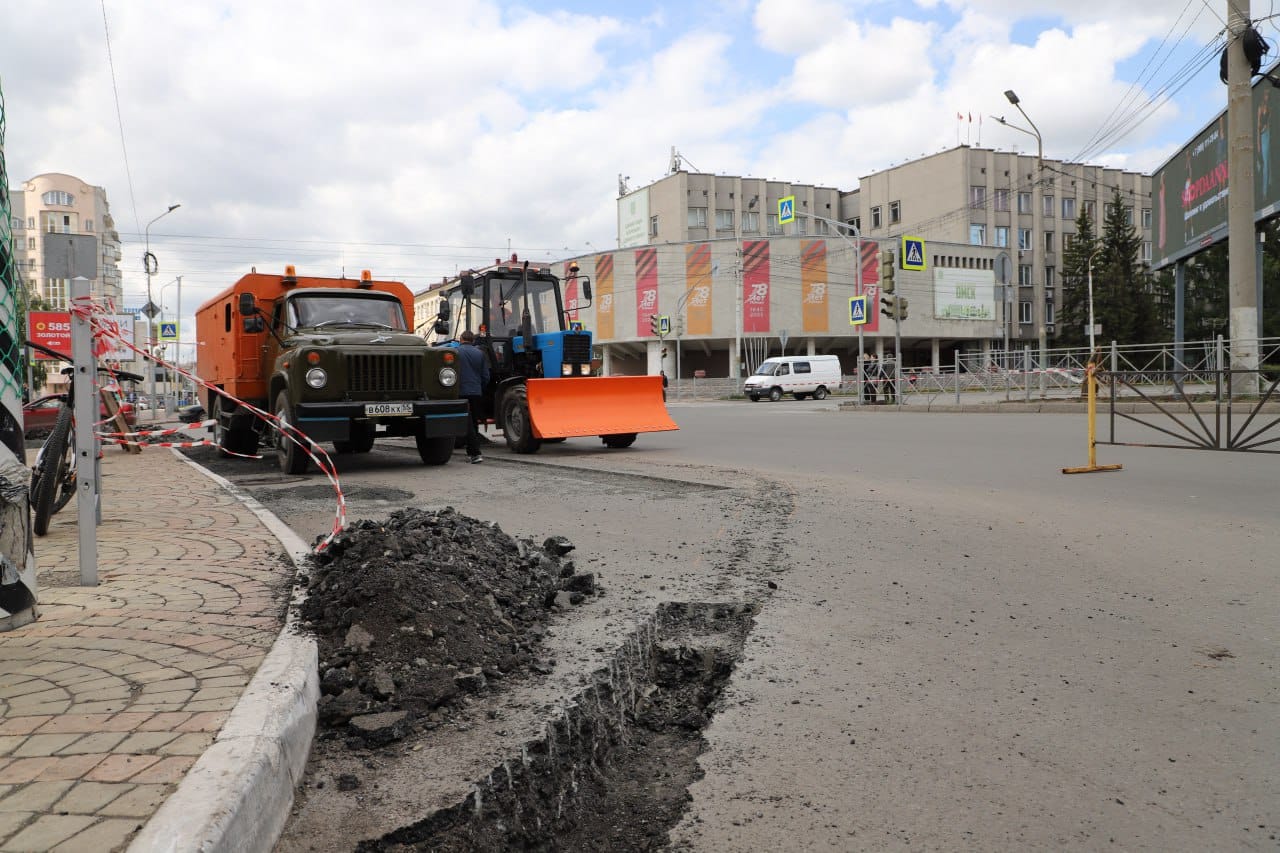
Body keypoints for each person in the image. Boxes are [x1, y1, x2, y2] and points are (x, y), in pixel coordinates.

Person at [456, 330, 489, 463]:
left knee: (466, 422)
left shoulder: (456, 352)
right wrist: (479, 388)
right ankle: (472, 450)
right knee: (474, 421)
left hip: (461, 391)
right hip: (476, 391)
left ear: (461, 339)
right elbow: (486, 376)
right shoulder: (480, 353)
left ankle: (475, 452)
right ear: (473, 340)